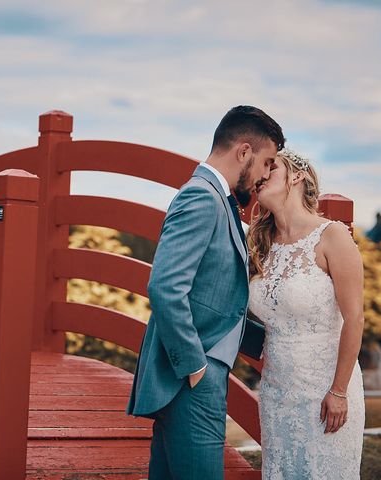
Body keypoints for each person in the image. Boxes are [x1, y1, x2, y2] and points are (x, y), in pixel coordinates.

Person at [127, 105, 285, 479]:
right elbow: (166, 287)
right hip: (193, 374)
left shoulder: (219, 199)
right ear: (243, 152)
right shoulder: (201, 197)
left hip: (194, 372)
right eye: (266, 162)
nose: (265, 175)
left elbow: (216, 294)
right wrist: (196, 366)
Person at [248, 148, 365, 479]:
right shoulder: (260, 243)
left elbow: (354, 319)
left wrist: (339, 391)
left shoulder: (332, 236)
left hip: (326, 391)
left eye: (271, 169)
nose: (260, 177)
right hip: (276, 391)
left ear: (296, 176)